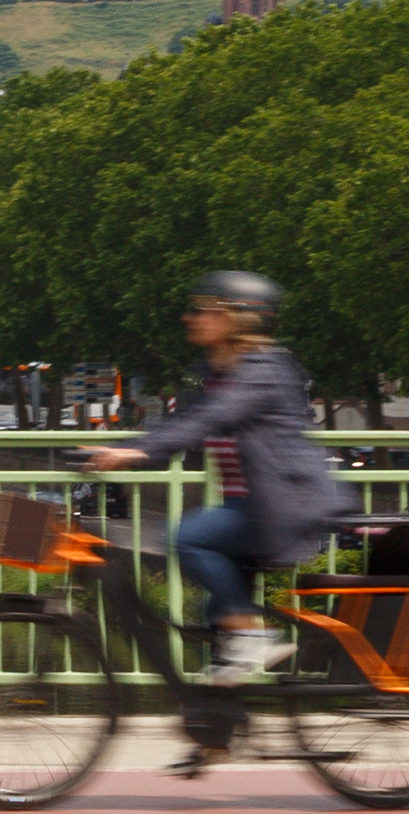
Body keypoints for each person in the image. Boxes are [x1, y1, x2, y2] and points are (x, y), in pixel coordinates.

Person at [86, 270, 355, 691]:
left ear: (238, 319)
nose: (188, 317)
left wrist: (138, 453)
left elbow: (214, 417)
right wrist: (119, 446)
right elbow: (182, 421)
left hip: (282, 508)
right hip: (249, 506)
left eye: (201, 309)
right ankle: (215, 731)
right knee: (215, 625)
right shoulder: (217, 370)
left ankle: (252, 634)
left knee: (187, 536)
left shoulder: (264, 369)